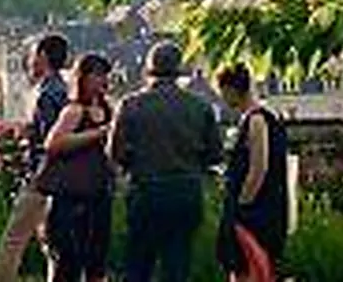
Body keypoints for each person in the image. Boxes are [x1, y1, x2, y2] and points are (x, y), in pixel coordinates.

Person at [109, 42, 223, 282]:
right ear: (179, 69)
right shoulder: (201, 106)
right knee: (177, 263)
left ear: (148, 69)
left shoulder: (130, 105)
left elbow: (115, 153)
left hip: (146, 190)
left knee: (138, 264)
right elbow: (215, 155)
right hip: (186, 191)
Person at [0, 33, 71, 282]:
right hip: (60, 176)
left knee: (14, 238)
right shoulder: (62, 89)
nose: (29, 60)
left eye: (33, 54)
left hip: (42, 175)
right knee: (51, 241)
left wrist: (38, 174)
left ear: (43, 57)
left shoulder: (46, 94)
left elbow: (49, 140)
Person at [37, 53, 114, 282]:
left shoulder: (108, 109)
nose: (102, 81)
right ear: (83, 78)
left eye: (104, 75)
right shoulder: (74, 111)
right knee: (68, 261)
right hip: (72, 196)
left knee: (96, 259)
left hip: (99, 192)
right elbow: (53, 143)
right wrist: (98, 133)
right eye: (96, 75)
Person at [216, 64, 289, 282]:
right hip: (265, 208)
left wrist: (242, 204)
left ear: (230, 89)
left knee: (249, 268)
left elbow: (259, 167)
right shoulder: (263, 116)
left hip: (256, 214)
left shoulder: (256, 120)